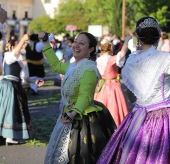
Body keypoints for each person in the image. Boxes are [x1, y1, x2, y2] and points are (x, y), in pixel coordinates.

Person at [97, 17, 170, 164]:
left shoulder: (131, 60)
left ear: (138, 36)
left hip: (138, 116)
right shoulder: (166, 58)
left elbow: (134, 91)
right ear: (158, 36)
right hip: (164, 115)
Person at [38, 31, 116, 164]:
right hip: (68, 116)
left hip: (82, 120)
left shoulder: (89, 69)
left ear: (90, 49)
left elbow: (85, 96)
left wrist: (72, 114)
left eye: (82, 43)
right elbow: (56, 65)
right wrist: (46, 43)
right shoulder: (72, 66)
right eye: (75, 42)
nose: (76, 45)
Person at [0, 34, 44, 145]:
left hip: (16, 86)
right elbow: (15, 53)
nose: (22, 46)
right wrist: (22, 39)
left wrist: (35, 81)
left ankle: (11, 136)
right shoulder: (8, 56)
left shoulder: (21, 62)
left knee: (15, 111)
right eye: (19, 45)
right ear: (12, 47)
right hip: (8, 87)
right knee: (9, 110)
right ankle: (7, 136)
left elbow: (25, 78)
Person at [94, 38, 129, 126]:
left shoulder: (98, 60)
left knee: (102, 106)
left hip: (101, 86)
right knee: (114, 107)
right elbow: (122, 53)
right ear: (110, 48)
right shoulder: (112, 59)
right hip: (113, 87)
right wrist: (127, 41)